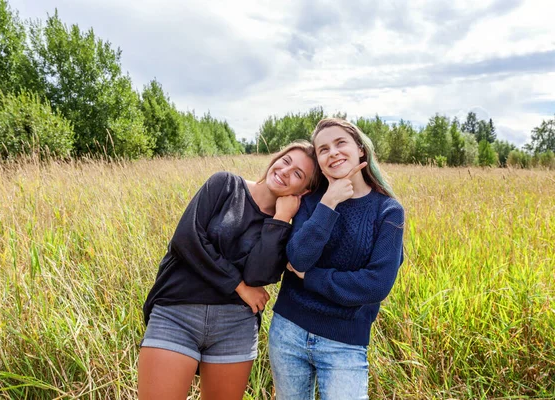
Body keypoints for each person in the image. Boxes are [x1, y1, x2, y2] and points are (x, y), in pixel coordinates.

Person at [138, 141, 319, 400]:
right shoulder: (224, 185)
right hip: (177, 312)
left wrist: (279, 220)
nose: (285, 171)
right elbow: (187, 240)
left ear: (305, 190)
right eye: (286, 161)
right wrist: (240, 287)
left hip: (235, 326)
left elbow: (257, 275)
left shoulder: (284, 231)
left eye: (298, 174)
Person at [269, 118, 405, 400]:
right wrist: (329, 201)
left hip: (345, 342)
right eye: (323, 149)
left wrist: (310, 277)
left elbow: (375, 285)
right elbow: (298, 257)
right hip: (288, 332)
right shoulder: (312, 201)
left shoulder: (388, 211)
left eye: (340, 143)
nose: (333, 153)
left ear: (360, 150)